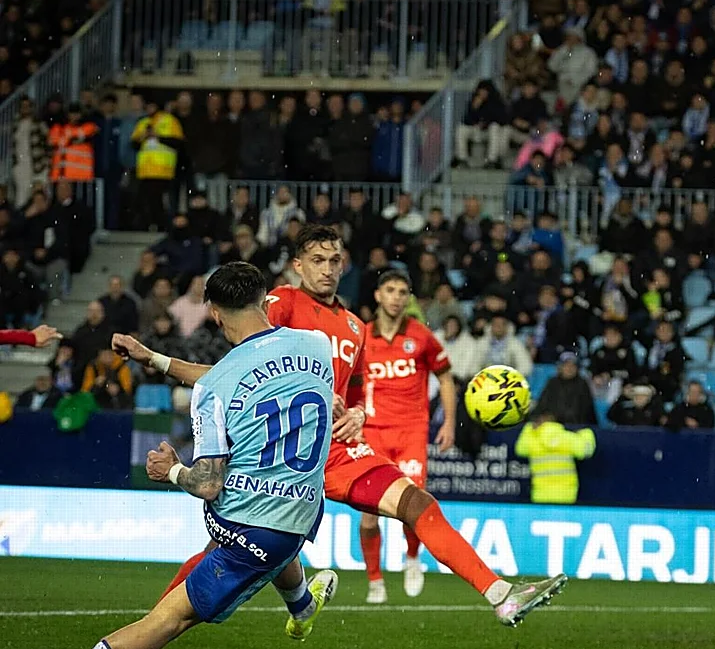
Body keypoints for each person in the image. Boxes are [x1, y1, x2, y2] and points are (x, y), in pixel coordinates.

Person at [114, 226, 565, 628]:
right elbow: (226, 372)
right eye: (316, 260)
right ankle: (155, 625)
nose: (327, 269)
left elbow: (353, 392)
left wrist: (358, 414)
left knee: (418, 503)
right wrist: (153, 358)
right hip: (278, 456)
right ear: (296, 265)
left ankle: (500, 594)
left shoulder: (353, 326)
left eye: (334, 261)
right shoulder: (282, 304)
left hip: (334, 451)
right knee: (224, 552)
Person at [2, 263, 339, 649]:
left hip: (248, 531)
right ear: (263, 301)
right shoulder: (316, 346)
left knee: (167, 619)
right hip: (304, 507)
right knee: (274, 533)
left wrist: (172, 470)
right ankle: (300, 608)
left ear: (214, 316)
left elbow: (208, 483)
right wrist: (153, 358)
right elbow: (248, 369)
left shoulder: (214, 388)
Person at [359, 270, 456, 604]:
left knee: (412, 503)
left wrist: (449, 423)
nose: (397, 297)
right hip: (371, 433)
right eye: (390, 290)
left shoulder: (421, 336)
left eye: (403, 291)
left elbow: (445, 378)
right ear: (378, 295)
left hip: (412, 432)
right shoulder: (361, 337)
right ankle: (375, 581)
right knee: (369, 512)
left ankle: (412, 559)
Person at [514, 411, 597, 504]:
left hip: (540, 493)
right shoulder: (565, 437)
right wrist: (587, 432)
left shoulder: (533, 440)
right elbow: (586, 450)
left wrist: (528, 428)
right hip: (567, 493)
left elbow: (520, 449)